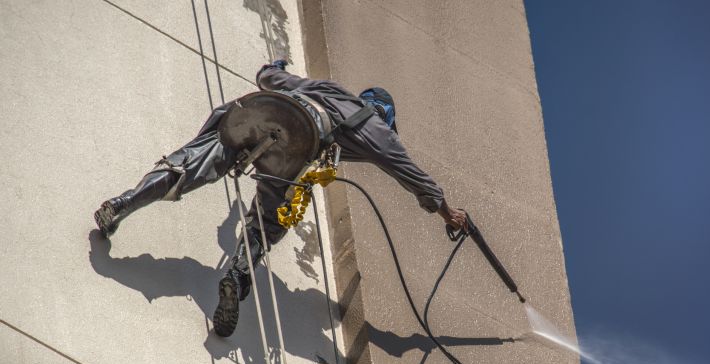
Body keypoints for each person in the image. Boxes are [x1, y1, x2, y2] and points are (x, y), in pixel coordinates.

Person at [94, 60, 467, 337]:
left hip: (262, 109)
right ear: (383, 114)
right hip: (298, 137)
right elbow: (412, 174)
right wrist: (448, 213)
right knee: (268, 220)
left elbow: (267, 77)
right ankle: (237, 277)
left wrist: (275, 66)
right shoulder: (375, 127)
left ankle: (123, 204)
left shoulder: (328, 88)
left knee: (189, 165)